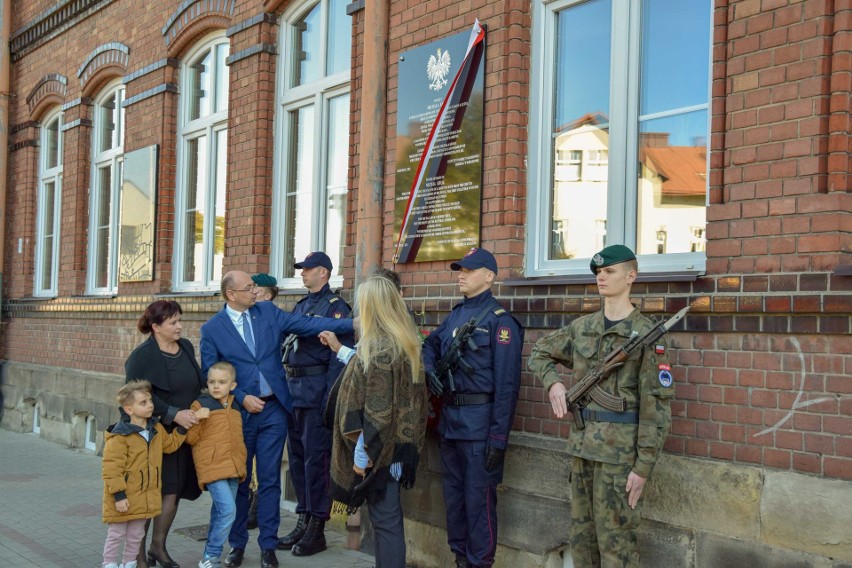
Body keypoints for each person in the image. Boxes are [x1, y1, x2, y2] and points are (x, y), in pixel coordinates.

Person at [528, 245, 675, 568]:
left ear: (631, 276)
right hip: (582, 451)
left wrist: (643, 467)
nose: (601, 277)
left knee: (616, 547)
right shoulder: (583, 328)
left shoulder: (647, 336)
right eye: (598, 272)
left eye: (609, 271)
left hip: (619, 460)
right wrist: (554, 383)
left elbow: (657, 409)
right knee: (582, 543)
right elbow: (539, 353)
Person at [200, 270, 354, 568]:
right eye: (248, 288)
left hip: (273, 411)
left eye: (254, 288)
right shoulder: (212, 329)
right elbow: (211, 374)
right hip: (238, 413)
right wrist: (242, 395)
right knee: (240, 481)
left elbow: (311, 324)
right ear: (231, 294)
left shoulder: (268, 312)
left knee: (270, 480)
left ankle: (268, 546)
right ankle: (237, 545)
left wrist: (354, 324)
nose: (254, 292)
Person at [421, 247, 524, 568]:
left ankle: (480, 563)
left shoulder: (501, 323)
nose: (460, 275)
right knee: (453, 501)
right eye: (459, 270)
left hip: (481, 429)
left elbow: (508, 386)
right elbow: (429, 345)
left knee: (478, 505)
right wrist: (428, 371)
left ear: (489, 276)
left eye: (468, 270)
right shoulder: (456, 314)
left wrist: (498, 439)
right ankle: (460, 559)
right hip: (450, 424)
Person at [327, 275, 427, 568]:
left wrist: (362, 458)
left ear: (373, 306)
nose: (357, 311)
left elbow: (378, 413)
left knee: (386, 523)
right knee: (388, 521)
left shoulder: (381, 349)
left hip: (379, 452)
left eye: (361, 305)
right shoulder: (401, 342)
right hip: (395, 448)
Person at [277, 252, 353, 557]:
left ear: (323, 272)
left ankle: (318, 526)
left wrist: (328, 398)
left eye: (307, 270)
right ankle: (303, 517)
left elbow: (339, 356)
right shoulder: (301, 304)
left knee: (315, 462)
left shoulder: (336, 308)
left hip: (316, 391)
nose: (302, 274)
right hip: (294, 390)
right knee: (297, 460)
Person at [125, 300, 206, 568]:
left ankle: (158, 547)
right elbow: (135, 398)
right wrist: (173, 413)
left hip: (181, 435)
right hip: (152, 436)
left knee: (172, 491)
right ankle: (137, 558)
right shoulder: (141, 357)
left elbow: (195, 382)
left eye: (179, 320)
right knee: (147, 496)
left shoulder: (184, 347)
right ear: (156, 327)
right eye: (173, 322)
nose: (179, 326)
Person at [101, 380, 206, 568]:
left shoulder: (155, 429)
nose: (150, 405)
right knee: (116, 534)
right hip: (123, 498)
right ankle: (108, 564)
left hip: (145, 497)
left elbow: (169, 445)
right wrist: (119, 495)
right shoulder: (119, 437)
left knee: (136, 535)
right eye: (143, 403)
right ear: (129, 409)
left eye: (150, 401)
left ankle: (128, 564)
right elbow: (111, 469)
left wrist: (183, 429)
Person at [185, 361, 248, 568]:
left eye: (222, 382)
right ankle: (210, 557)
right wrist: (195, 417)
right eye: (212, 381)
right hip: (213, 468)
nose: (216, 386)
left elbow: (238, 438)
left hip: (233, 467)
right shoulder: (201, 404)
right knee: (229, 510)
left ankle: (209, 557)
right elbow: (191, 439)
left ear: (233, 385)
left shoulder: (236, 406)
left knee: (220, 512)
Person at [246, 273, 278, 531]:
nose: (252, 292)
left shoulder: (272, 317)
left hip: (271, 405)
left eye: (256, 288)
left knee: (268, 473)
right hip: (244, 407)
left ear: (267, 296)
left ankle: (262, 518)